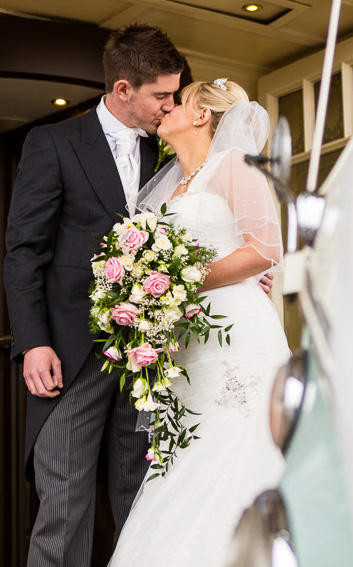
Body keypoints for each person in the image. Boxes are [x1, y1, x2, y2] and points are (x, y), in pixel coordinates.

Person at [4, 23, 184, 566]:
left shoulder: (167, 155)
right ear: (123, 89)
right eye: (161, 95)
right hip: (70, 353)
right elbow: (23, 252)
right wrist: (33, 342)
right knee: (63, 506)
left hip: (146, 356)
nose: (169, 106)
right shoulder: (53, 143)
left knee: (140, 502)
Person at [107, 79, 290, 566]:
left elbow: (266, 249)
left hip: (239, 338)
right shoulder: (170, 193)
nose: (165, 109)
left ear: (202, 115)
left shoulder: (233, 166)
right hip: (191, 350)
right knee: (188, 459)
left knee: (240, 448)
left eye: (177, 102)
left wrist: (182, 283)